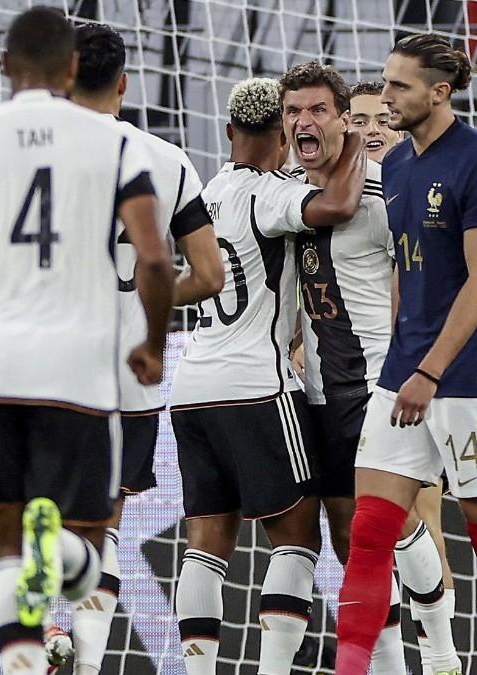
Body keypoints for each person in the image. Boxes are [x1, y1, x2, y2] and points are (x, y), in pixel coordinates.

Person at [0, 8, 174, 675]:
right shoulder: (114, 143)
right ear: (74, 67)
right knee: (82, 550)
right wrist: (155, 345)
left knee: (12, 539)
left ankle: (22, 651)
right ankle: (60, 569)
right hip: (76, 371)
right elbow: (157, 262)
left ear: (1, 65)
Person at [334, 33, 477, 675]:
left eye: (399, 86)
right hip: (404, 374)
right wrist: (405, 361)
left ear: (439, 91)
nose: (386, 96)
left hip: (470, 378)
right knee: (370, 531)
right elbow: (407, 274)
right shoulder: (394, 166)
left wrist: (430, 370)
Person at [39, 22, 223, 675]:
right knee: (102, 524)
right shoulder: (167, 159)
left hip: (44, 369)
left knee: (37, 512)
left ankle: (36, 646)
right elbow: (208, 275)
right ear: (123, 82)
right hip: (128, 373)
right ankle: (85, 662)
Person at [168, 75, 365, 675]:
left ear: (228, 132)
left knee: (206, 545)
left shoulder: (202, 195)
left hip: (191, 386)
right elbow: (337, 205)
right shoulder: (270, 194)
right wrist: (354, 142)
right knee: (298, 536)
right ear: (282, 132)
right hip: (257, 385)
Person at [283, 64, 458, 673]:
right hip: (318, 393)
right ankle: (387, 665)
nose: (306, 124)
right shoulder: (288, 197)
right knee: (345, 536)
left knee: (391, 525)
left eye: (320, 112)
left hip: (381, 384)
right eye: (294, 113)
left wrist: (436, 367)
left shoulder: (386, 196)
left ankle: (439, 652)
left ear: (340, 124)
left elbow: (432, 280)